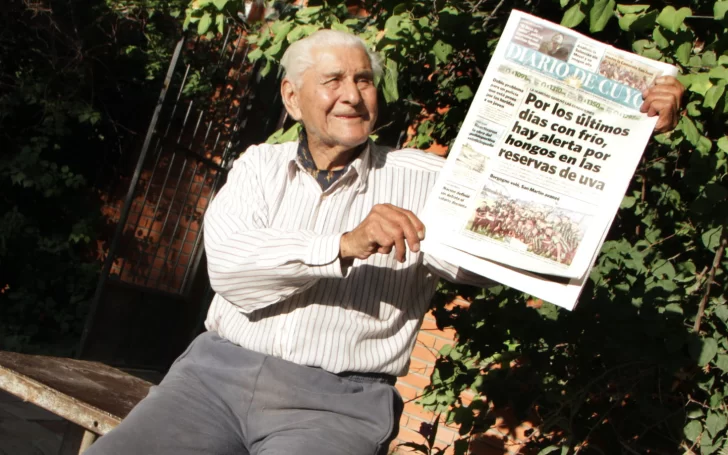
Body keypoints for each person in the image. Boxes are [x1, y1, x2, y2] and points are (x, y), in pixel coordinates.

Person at [85, 29, 685, 455]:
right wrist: (345, 242)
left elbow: (518, 239)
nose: (352, 94)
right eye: (333, 80)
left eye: (364, 79)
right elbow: (233, 267)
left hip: (336, 403)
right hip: (213, 378)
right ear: (292, 99)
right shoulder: (257, 167)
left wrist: (626, 134)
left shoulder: (428, 179)